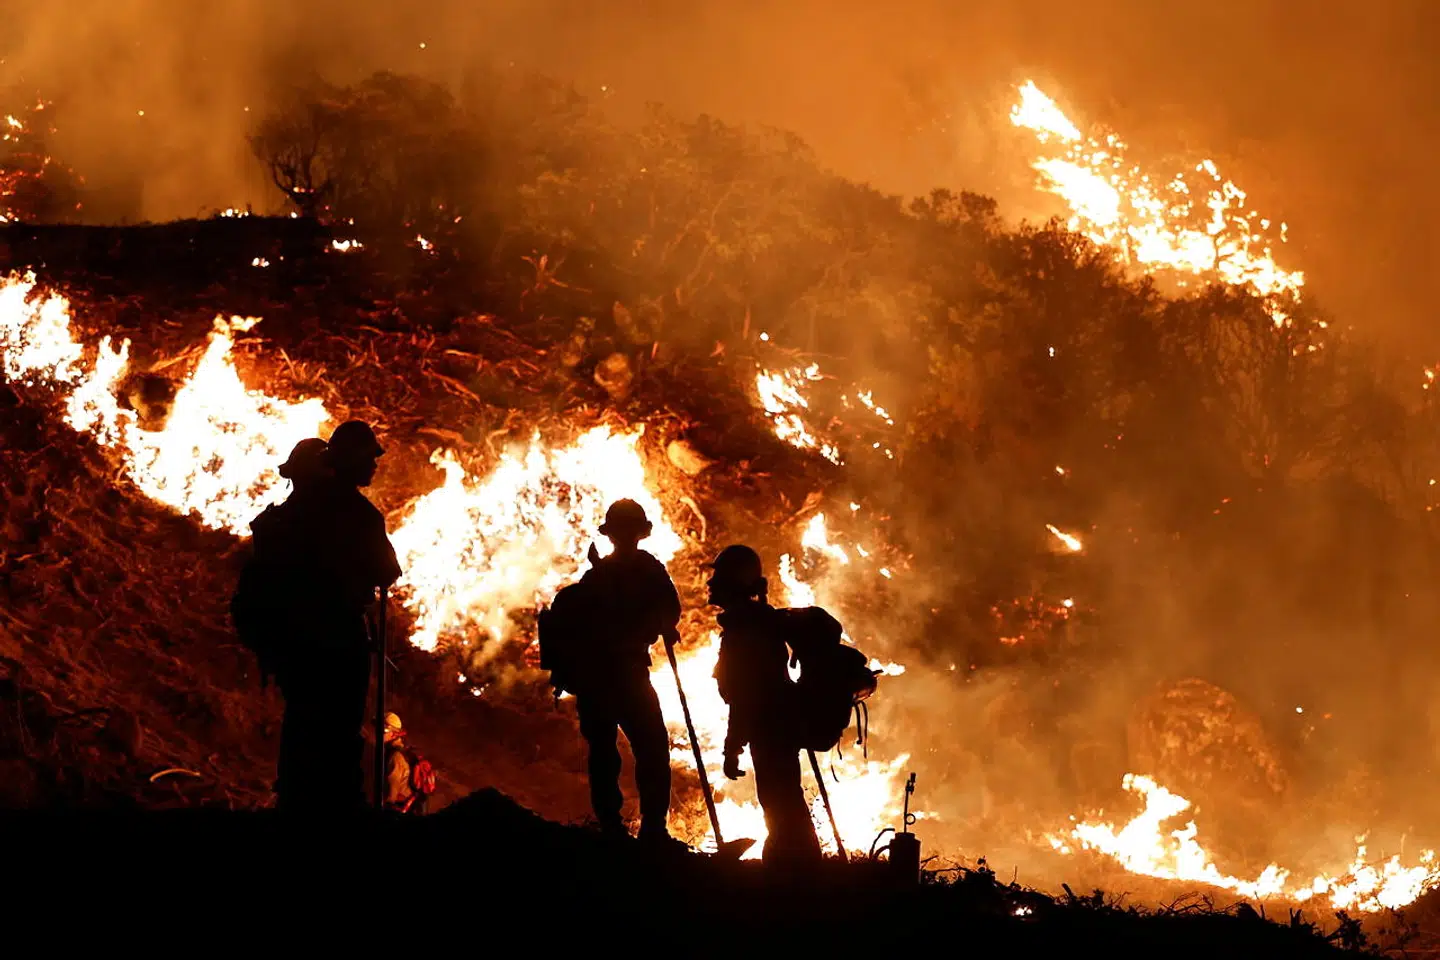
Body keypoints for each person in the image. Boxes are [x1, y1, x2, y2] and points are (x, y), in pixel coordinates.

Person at [567, 499, 683, 847]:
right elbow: (669, 609)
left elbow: (669, 610)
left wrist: (659, 623)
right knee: (644, 749)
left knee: (618, 752)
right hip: (622, 674)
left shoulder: (604, 574)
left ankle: (624, 828)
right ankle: (642, 829)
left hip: (604, 678)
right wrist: (657, 624)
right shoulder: (634, 571)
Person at [708, 544, 822, 865]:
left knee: (779, 799)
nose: (711, 583)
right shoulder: (756, 622)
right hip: (778, 723)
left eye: (718, 576)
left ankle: (792, 868)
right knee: (783, 797)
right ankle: (799, 865)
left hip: (770, 726)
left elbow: (746, 695)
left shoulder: (746, 630)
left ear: (734, 583)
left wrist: (732, 747)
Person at [382, 712, 434, 815]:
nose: (377, 733)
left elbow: (390, 796)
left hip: (401, 811)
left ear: (393, 734)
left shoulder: (395, 757)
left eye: (383, 730)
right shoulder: (403, 753)